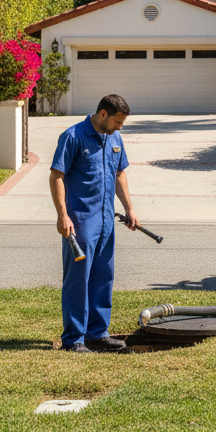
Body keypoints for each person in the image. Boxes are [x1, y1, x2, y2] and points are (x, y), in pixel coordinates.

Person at [49, 94, 140, 353]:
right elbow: (57, 176)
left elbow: (119, 173)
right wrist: (62, 215)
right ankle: (74, 339)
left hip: (105, 222)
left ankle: (97, 334)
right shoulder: (73, 136)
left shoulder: (115, 138)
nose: (120, 127)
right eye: (118, 122)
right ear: (103, 114)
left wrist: (129, 208)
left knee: (103, 277)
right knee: (78, 280)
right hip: (80, 223)